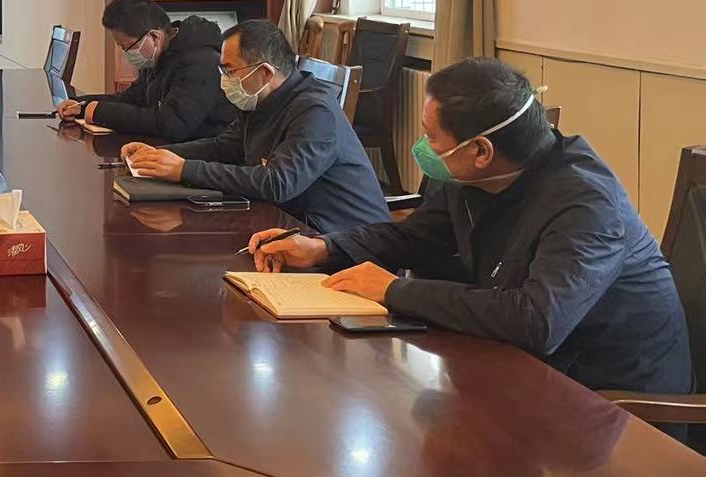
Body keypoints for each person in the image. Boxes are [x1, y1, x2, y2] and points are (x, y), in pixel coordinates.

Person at [249, 57, 693, 394]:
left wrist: (393, 290)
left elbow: (537, 321)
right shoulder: (481, 175)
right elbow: (416, 235)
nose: (423, 147)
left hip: (613, 405)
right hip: (524, 372)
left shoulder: (587, 205)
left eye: (431, 137)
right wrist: (324, 248)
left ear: (481, 150)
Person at [122, 18, 388, 233]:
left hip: (342, 241)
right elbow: (223, 147)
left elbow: (278, 182)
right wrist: (161, 155)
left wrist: (183, 170)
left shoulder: (316, 112)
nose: (224, 79)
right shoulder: (260, 99)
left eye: (230, 70)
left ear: (265, 72)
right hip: (290, 225)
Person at [56, 0, 235, 141]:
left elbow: (171, 125)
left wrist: (100, 112)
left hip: (205, 157)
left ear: (154, 37)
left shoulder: (201, 63)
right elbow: (133, 98)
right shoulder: (159, 55)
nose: (126, 53)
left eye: (127, 46)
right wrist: (82, 105)